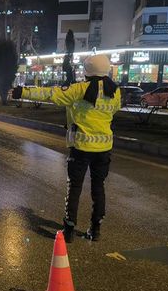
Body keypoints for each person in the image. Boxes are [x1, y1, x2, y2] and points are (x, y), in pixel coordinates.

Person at [12, 54, 121, 243]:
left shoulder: (79, 89)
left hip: (81, 147)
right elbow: (113, 110)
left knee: (75, 187)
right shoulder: (115, 91)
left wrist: (23, 92)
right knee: (98, 187)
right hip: (104, 148)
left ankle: (69, 229)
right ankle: (95, 230)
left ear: (87, 71)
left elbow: (50, 94)